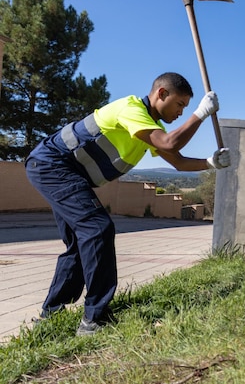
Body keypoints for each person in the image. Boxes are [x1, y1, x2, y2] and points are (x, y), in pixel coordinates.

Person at [25, 72, 230, 336]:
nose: (181, 112)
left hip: (65, 171)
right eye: (180, 104)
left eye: (187, 108)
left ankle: (49, 317)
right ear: (162, 94)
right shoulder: (131, 108)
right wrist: (201, 114)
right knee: (98, 229)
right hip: (52, 164)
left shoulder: (149, 126)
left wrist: (211, 163)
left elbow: (177, 161)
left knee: (80, 242)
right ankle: (95, 319)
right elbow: (169, 142)